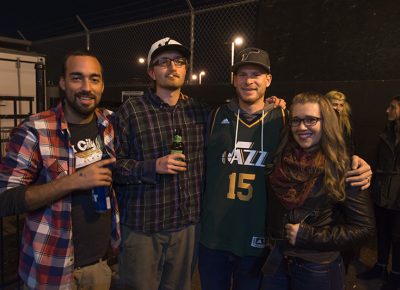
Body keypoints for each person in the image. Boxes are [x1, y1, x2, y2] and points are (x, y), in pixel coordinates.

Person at [198, 48, 373, 290]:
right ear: (234, 79)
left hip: (259, 240)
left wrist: (354, 160)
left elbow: (319, 144)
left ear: (268, 80)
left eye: (256, 74)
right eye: (242, 74)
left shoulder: (283, 119)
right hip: (214, 235)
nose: (249, 81)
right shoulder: (214, 115)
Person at [0, 51, 120, 289]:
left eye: (94, 79)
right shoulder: (35, 129)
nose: (87, 87)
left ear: (103, 85)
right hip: (51, 268)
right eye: (77, 78)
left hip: (100, 264)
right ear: (63, 83)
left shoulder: (109, 124)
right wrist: (74, 181)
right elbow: (5, 199)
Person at [113, 37, 210, 290]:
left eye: (179, 62)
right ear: (151, 71)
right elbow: (113, 167)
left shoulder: (199, 112)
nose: (173, 67)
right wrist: (151, 167)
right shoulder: (131, 110)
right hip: (144, 227)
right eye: (164, 62)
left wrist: (271, 106)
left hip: (187, 226)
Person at [261, 92, 375, 290]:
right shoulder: (280, 158)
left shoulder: (345, 168)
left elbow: (364, 229)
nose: (302, 127)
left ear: (326, 122)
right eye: (296, 120)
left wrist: (310, 236)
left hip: (317, 269)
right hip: (277, 263)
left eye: (311, 120)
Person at [357, 96, 400, 290]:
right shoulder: (387, 133)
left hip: (398, 193)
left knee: (398, 236)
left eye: (392, 107)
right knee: (382, 232)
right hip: (384, 192)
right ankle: (381, 267)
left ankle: (397, 274)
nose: (387, 110)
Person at [326, 90, 355, 155]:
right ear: (327, 105)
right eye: (335, 104)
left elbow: (350, 145)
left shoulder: (346, 123)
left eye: (341, 105)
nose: (338, 108)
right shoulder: (321, 121)